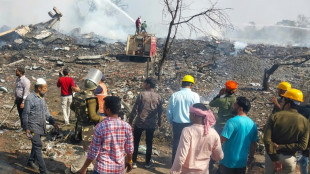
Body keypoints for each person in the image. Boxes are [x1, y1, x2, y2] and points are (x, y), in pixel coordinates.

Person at [78, 96, 134, 174]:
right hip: (118, 170)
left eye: (104, 106)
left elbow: (93, 152)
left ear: (108, 110)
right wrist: (129, 161)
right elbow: (129, 149)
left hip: (102, 169)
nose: (102, 108)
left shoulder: (100, 127)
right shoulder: (127, 127)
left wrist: (84, 167)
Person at [66, 69, 105, 174]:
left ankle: (91, 166)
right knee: (88, 151)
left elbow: (72, 107)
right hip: (88, 128)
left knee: (89, 148)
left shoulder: (78, 94)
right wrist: (103, 119)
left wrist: (81, 114)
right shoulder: (91, 98)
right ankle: (73, 169)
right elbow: (93, 116)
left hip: (79, 125)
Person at [264, 89, 310, 174]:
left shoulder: (275, 117)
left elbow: (267, 140)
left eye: (282, 101)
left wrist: (275, 158)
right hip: (289, 159)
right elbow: (303, 146)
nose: (281, 102)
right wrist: (282, 147)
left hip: (271, 158)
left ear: (288, 104)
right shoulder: (305, 122)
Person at [170, 103, 223, 174]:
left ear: (194, 115)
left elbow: (181, 156)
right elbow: (219, 156)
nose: (189, 116)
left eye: (190, 114)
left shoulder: (187, 131)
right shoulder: (213, 133)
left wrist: (174, 172)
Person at [22, 78, 59, 174]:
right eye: (45, 88)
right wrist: (26, 128)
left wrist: (53, 122)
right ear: (39, 88)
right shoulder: (30, 99)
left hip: (40, 126)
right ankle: (43, 171)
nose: (46, 89)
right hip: (32, 127)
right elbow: (25, 114)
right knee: (38, 145)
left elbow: (46, 112)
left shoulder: (42, 98)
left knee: (36, 145)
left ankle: (30, 161)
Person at [129, 77, 163, 169]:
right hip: (151, 124)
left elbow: (135, 109)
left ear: (148, 84)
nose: (144, 84)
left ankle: (134, 161)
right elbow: (160, 111)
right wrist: (159, 121)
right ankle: (147, 163)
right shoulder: (158, 96)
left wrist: (130, 121)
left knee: (136, 142)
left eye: (145, 83)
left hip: (140, 122)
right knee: (149, 143)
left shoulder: (142, 95)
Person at [219, 97, 258, 174]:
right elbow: (253, 143)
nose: (232, 106)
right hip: (242, 161)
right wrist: (251, 157)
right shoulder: (253, 124)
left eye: (235, 104)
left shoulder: (232, 121)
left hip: (228, 161)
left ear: (240, 108)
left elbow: (222, 139)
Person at [167, 75, 200, 163]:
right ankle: (186, 164)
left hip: (177, 123)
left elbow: (169, 111)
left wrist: (172, 121)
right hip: (190, 124)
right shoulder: (195, 96)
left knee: (176, 144)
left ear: (182, 84)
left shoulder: (175, 95)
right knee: (189, 145)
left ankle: (174, 164)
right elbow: (197, 112)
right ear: (192, 85)